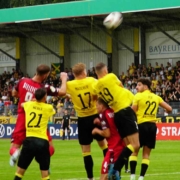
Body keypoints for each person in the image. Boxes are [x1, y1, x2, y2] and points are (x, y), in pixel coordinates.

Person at [10, 64, 67, 166]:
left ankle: (16, 153)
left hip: (23, 117)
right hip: (38, 119)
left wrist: (25, 97)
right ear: (45, 75)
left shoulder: (23, 80)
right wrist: (64, 79)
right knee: (50, 148)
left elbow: (14, 93)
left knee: (14, 146)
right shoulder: (44, 88)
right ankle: (43, 161)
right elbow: (62, 91)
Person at [93, 62, 139, 178]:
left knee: (127, 145)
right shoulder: (111, 77)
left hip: (117, 114)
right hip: (125, 110)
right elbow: (121, 87)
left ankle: (116, 170)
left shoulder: (96, 86)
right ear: (105, 71)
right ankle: (115, 170)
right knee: (136, 145)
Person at [66, 63, 108, 180]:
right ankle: (109, 171)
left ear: (74, 74)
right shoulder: (92, 81)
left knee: (86, 151)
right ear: (84, 72)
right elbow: (99, 92)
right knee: (104, 145)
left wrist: (70, 95)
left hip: (83, 119)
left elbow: (63, 91)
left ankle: (90, 178)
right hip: (95, 116)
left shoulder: (70, 84)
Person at [130, 78, 172, 180]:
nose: (136, 87)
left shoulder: (138, 96)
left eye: (139, 85)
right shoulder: (156, 97)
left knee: (134, 151)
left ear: (145, 86)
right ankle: (141, 177)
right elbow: (169, 109)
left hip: (141, 125)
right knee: (146, 154)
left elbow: (132, 111)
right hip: (152, 126)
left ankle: (132, 176)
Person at [13, 88, 55, 180]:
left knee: (19, 172)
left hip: (29, 140)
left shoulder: (28, 105)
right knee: (45, 174)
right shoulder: (48, 108)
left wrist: (34, 100)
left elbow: (22, 105)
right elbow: (52, 111)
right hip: (42, 141)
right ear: (44, 97)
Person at [92, 97, 125, 180]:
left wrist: (96, 130)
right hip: (120, 145)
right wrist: (100, 123)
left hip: (113, 149)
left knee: (105, 174)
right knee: (111, 175)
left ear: (102, 106)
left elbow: (107, 133)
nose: (96, 107)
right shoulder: (112, 111)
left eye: (97, 105)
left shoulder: (103, 115)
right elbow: (112, 125)